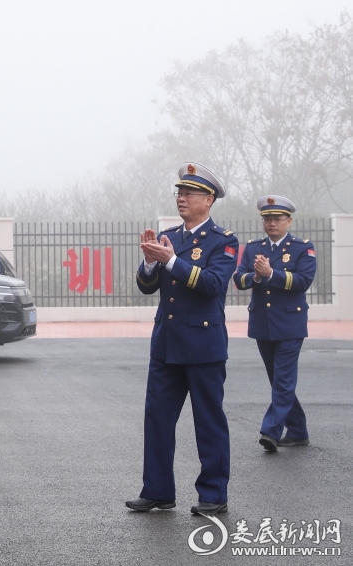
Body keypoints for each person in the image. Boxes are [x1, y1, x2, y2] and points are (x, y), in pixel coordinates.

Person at [127, 162, 238, 517]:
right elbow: (149, 287)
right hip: (167, 344)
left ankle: (213, 493)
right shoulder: (170, 237)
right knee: (157, 419)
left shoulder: (224, 241)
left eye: (189, 193)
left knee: (208, 421)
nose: (182, 198)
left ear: (209, 199)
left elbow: (212, 285)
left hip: (203, 345)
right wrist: (148, 263)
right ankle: (158, 490)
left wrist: (171, 260)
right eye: (179, 192)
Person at [233, 196, 315, 452]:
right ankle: (298, 430)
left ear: (288, 221)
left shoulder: (303, 248)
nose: (271, 223)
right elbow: (239, 279)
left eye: (277, 219)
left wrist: (272, 274)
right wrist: (256, 275)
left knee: (282, 380)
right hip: (263, 323)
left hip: (290, 323)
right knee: (278, 379)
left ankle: (271, 431)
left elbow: (303, 281)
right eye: (267, 219)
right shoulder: (254, 247)